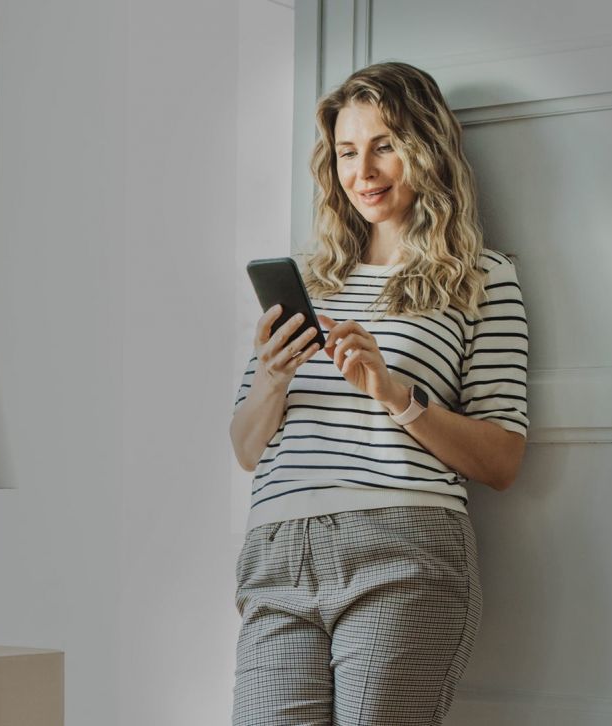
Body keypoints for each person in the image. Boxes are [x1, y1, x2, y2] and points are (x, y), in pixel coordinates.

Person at [229, 61, 530, 726]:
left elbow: (502, 458)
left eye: (384, 146)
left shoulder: (481, 279)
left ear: (426, 147)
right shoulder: (306, 281)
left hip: (403, 547)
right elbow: (247, 449)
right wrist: (273, 378)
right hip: (277, 552)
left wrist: (395, 394)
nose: (362, 171)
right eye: (346, 152)